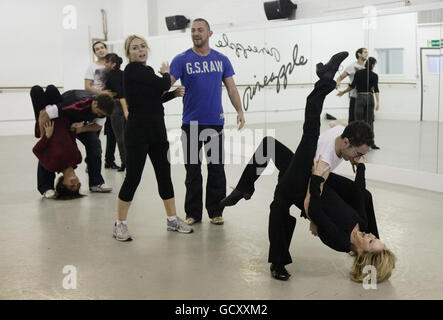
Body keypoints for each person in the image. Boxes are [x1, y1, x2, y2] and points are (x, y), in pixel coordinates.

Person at [221, 52, 396, 283]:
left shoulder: (341, 239)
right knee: (271, 149)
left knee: (281, 200)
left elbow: (314, 209)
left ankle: (275, 254)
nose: (358, 158)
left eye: (371, 240)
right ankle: (245, 190)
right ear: (346, 141)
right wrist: (360, 169)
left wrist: (316, 186)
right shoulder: (361, 224)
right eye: (358, 153)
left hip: (310, 184)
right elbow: (358, 194)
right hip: (310, 175)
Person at [113, 35, 191, 242]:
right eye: (135, 48)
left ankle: (172, 219)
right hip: (138, 133)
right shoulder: (132, 70)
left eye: (143, 46)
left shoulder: (144, 73)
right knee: (133, 178)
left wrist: (173, 95)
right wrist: (166, 74)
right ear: (128, 53)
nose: (140, 50)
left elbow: (154, 97)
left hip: (157, 131)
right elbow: (162, 84)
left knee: (164, 175)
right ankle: (120, 224)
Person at [169, 18, 246, 226]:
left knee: (216, 169)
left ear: (209, 34)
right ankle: (193, 213)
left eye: (200, 30)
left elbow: (231, 88)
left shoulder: (221, 59)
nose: (196, 33)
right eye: (193, 30)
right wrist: (160, 79)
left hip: (215, 123)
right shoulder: (181, 59)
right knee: (192, 170)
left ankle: (215, 211)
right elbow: (165, 84)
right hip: (191, 124)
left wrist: (239, 110)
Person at [34, 85, 114, 193]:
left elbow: (98, 126)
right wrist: (45, 137)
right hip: (61, 120)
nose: (99, 115)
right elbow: (44, 114)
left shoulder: (103, 108)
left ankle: (96, 183)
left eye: (102, 115)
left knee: (94, 144)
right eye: (98, 112)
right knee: (49, 150)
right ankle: (46, 187)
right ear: (95, 103)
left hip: (77, 125)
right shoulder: (73, 104)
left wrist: (80, 130)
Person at [30, 85, 83, 200]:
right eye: (77, 185)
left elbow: (37, 150)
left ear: (63, 184)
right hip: (61, 118)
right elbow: (71, 140)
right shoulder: (78, 159)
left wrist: (47, 136)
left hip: (45, 123)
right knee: (51, 89)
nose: (75, 183)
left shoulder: (52, 166)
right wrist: (72, 128)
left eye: (71, 186)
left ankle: (45, 188)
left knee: (36, 90)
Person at [85, 41, 120, 169]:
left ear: (106, 49)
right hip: (98, 103)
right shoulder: (91, 67)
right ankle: (91, 162)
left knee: (113, 134)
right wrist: (103, 93)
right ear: (94, 53)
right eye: (97, 49)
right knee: (94, 134)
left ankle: (109, 161)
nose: (100, 50)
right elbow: (87, 87)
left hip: (113, 103)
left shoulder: (112, 66)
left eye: (102, 48)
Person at [338, 57, 380, 149]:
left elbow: (352, 86)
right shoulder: (374, 75)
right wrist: (378, 102)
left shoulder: (358, 73)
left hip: (360, 98)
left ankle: (357, 142)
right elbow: (376, 89)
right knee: (369, 122)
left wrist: (343, 92)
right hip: (370, 98)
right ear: (372, 65)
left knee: (358, 122)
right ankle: (370, 143)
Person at [104, 53, 129, 172]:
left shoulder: (111, 75)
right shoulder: (123, 74)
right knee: (124, 136)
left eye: (107, 62)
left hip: (117, 106)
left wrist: (125, 110)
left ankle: (125, 162)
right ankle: (126, 161)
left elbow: (119, 93)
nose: (105, 64)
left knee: (120, 137)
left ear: (113, 64)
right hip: (125, 105)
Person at [335, 48, 368, 124]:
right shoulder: (352, 67)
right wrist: (338, 83)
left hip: (366, 97)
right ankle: (351, 135)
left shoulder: (368, 67)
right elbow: (340, 78)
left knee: (365, 120)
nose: (367, 54)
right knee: (352, 120)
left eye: (367, 52)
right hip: (355, 97)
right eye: (365, 52)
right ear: (359, 54)